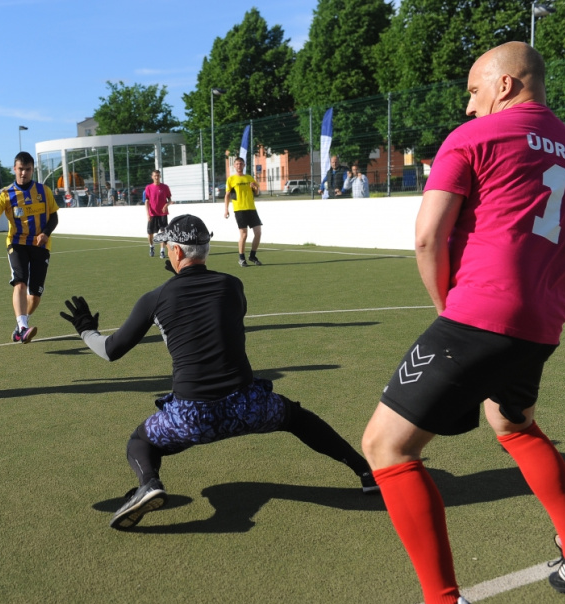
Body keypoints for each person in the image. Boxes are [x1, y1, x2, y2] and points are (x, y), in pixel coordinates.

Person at [360, 42, 565, 604]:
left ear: (504, 85)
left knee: (385, 447)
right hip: (543, 321)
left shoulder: (475, 137)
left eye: (474, 91)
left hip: (480, 314)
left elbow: (428, 237)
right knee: (514, 424)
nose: (468, 105)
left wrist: (448, 312)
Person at [60, 214, 378, 530]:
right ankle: (366, 471)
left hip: (192, 416)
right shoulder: (232, 285)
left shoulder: (155, 299)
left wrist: (86, 329)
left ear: (176, 251)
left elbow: (110, 351)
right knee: (297, 418)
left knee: (141, 441)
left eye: (168, 246)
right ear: (206, 249)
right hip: (249, 407)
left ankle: (149, 484)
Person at [0, 151, 59, 344]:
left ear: (33, 170)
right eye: (21, 169)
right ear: (14, 169)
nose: (24, 173)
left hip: (41, 245)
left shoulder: (44, 191)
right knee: (20, 282)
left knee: (35, 295)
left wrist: (45, 233)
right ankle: (23, 327)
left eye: (28, 169)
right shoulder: (5, 194)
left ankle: (21, 325)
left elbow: (54, 217)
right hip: (17, 243)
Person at [224, 157, 264, 267]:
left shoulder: (249, 178)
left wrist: (255, 187)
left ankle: (252, 256)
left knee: (258, 233)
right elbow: (227, 195)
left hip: (251, 209)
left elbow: (257, 192)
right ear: (234, 166)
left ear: (244, 165)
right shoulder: (231, 179)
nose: (239, 165)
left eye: (241, 164)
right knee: (244, 234)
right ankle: (241, 258)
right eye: (237, 164)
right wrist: (226, 209)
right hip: (239, 210)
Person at [144, 169, 172, 258]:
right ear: (152, 177)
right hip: (152, 214)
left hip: (163, 214)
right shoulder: (148, 187)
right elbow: (147, 201)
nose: (156, 177)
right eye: (155, 176)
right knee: (150, 233)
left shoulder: (165, 187)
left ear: (160, 176)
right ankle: (151, 247)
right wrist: (148, 214)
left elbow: (170, 200)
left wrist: (166, 205)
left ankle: (162, 251)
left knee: (163, 233)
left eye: (158, 175)